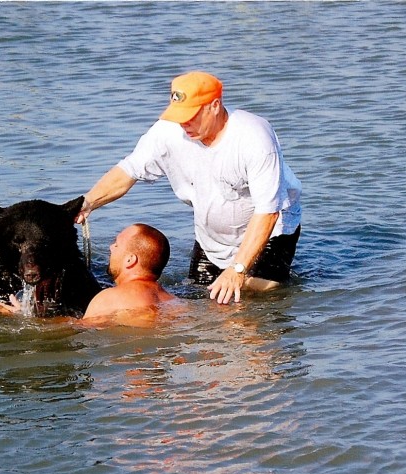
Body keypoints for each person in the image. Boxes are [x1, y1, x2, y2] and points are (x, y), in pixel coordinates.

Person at [77, 71, 302, 305]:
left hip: (272, 229)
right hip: (211, 236)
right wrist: (88, 203)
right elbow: (129, 170)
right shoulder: (168, 131)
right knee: (201, 297)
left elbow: (268, 211)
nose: (184, 123)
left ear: (214, 106)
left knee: (256, 302)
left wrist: (237, 269)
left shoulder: (254, 138)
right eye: (179, 115)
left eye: (191, 115)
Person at [80, 223, 178, 326]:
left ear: (130, 260)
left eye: (116, 244)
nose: (111, 247)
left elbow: (81, 329)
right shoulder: (175, 303)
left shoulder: (109, 299)